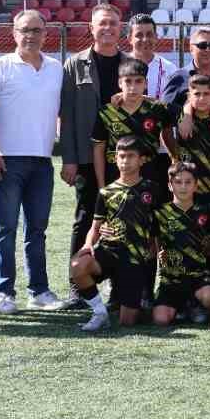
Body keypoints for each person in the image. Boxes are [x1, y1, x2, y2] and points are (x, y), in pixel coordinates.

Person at [0, 9, 64, 314]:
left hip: (42, 161)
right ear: (14, 33)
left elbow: (61, 113)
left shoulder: (56, 68)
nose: (30, 35)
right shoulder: (0, 66)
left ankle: (38, 291)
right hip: (8, 160)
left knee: (37, 230)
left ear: (46, 34)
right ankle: (5, 292)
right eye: (24, 29)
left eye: (36, 30)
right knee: (6, 228)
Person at [62, 4, 130, 269]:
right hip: (86, 157)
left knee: (123, 218)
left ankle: (118, 287)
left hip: (124, 157)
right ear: (91, 28)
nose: (108, 28)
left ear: (120, 28)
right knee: (85, 216)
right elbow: (66, 116)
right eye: (102, 23)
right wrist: (69, 159)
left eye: (113, 23)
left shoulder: (131, 64)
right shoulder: (75, 63)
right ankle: (77, 286)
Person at [68, 136, 158, 331]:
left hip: (135, 258)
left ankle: (139, 303)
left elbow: (159, 226)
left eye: (131, 156)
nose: (125, 161)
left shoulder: (151, 189)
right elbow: (95, 226)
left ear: (141, 159)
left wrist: (156, 247)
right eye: (121, 156)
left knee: (127, 321)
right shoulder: (106, 192)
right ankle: (100, 313)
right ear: (115, 158)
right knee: (77, 266)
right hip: (109, 252)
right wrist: (88, 245)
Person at [151, 160, 210, 327]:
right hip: (171, 279)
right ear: (170, 185)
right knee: (160, 320)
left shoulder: (206, 211)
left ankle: (194, 304)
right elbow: (154, 244)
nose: (183, 187)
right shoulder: (160, 213)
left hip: (198, 276)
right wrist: (159, 253)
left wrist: (207, 247)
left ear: (196, 185)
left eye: (188, 182)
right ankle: (180, 307)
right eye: (178, 182)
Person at [91, 59, 173, 189]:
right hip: (115, 178)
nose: (133, 87)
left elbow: (169, 135)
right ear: (119, 83)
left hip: (150, 179)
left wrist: (175, 161)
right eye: (128, 81)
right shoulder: (106, 112)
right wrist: (102, 186)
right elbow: (99, 149)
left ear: (145, 84)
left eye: (138, 81)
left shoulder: (157, 109)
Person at [170, 75, 210, 206]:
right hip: (188, 190)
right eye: (197, 94)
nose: (202, 98)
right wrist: (173, 156)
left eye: (206, 94)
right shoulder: (179, 116)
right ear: (188, 96)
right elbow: (155, 105)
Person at [161, 26, 210, 112]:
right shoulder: (179, 78)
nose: (208, 49)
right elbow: (165, 111)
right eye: (202, 45)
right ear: (191, 48)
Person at [127, 14, 178, 103]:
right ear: (129, 39)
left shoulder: (170, 69)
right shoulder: (118, 66)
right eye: (139, 35)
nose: (145, 39)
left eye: (149, 34)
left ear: (156, 37)